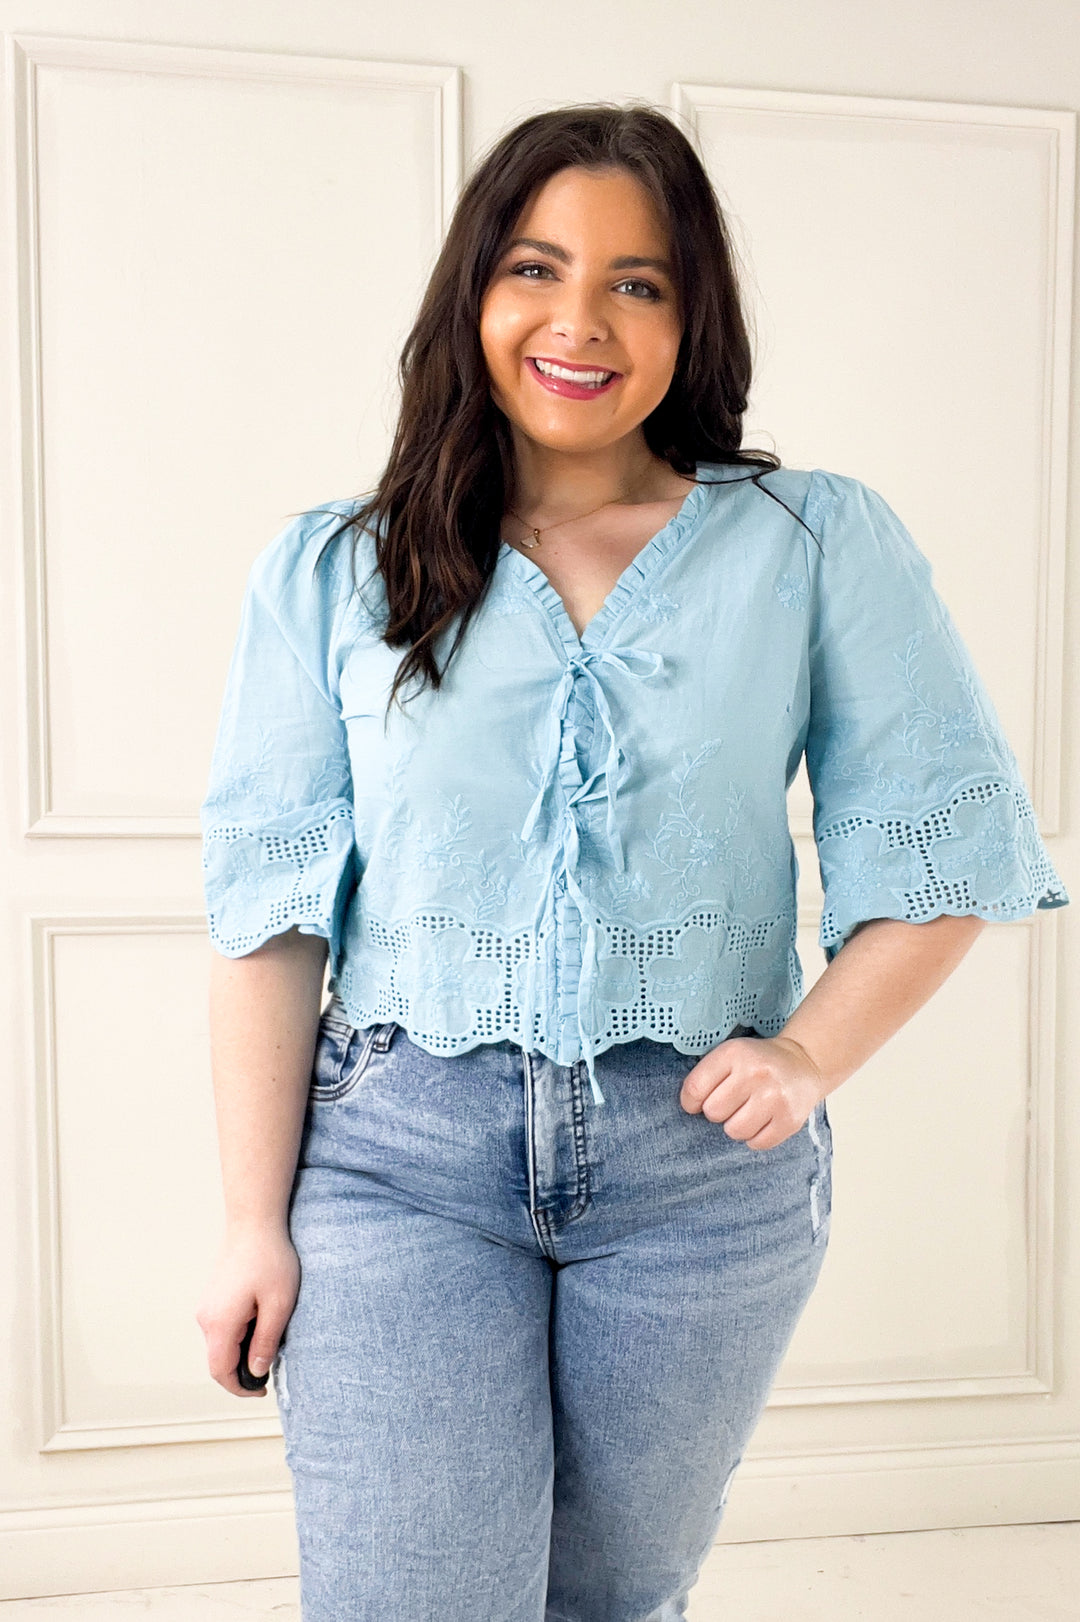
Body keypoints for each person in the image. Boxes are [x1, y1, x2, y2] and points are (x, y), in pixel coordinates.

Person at [194, 102, 1069, 1621]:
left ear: (692, 314)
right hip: (399, 1163)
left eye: (639, 283)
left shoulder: (812, 543)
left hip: (698, 1179)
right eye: (535, 267)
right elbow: (270, 925)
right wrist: (249, 1220)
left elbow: (943, 856)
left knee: (611, 1603)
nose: (579, 320)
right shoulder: (336, 568)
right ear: (474, 293)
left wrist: (803, 1056)